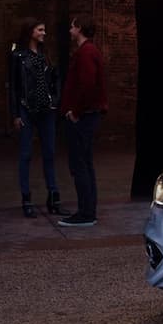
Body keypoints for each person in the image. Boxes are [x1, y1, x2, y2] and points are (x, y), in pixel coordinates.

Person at [9, 18, 68, 218]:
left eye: (44, 29)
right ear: (31, 32)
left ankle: (54, 197)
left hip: (47, 111)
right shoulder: (18, 56)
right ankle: (26, 199)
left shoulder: (47, 55)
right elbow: (14, 88)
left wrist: (55, 101)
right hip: (26, 109)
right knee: (25, 155)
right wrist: (16, 114)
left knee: (50, 154)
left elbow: (56, 80)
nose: (44, 33)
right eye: (40, 29)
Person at [59, 15, 108, 227]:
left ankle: (86, 213)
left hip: (84, 117)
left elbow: (87, 86)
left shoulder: (86, 53)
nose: (70, 30)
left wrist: (75, 111)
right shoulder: (90, 51)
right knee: (85, 164)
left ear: (79, 28)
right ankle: (88, 211)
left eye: (72, 27)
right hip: (88, 115)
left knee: (80, 165)